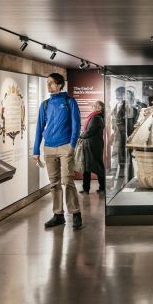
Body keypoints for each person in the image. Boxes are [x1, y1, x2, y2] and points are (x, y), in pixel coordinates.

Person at [32, 73, 83, 230]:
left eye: (52, 83)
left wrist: (71, 146)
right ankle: (58, 215)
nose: (49, 86)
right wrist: (36, 150)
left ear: (60, 85)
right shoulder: (45, 104)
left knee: (67, 181)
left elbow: (76, 125)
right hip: (49, 148)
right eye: (48, 83)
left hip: (64, 147)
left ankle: (75, 213)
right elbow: (39, 128)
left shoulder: (69, 101)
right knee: (54, 183)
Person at [79, 100, 106, 194]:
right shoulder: (94, 116)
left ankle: (102, 187)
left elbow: (89, 131)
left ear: (99, 108)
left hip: (93, 146)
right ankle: (86, 188)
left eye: (95, 105)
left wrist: (81, 136)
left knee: (97, 167)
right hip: (89, 145)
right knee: (87, 167)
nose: (92, 106)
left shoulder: (96, 118)